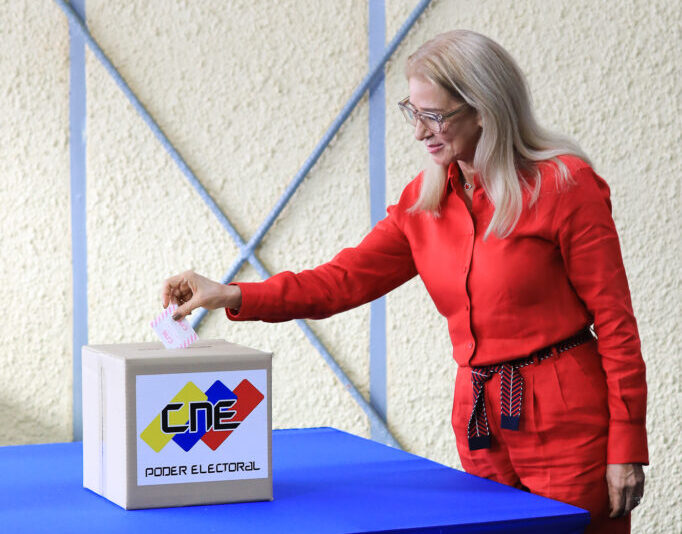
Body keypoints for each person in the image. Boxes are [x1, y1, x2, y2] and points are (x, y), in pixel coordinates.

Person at [162, 30, 647, 533]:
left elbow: (616, 325)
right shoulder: (424, 202)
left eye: (434, 116)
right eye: (412, 112)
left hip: (571, 423)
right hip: (479, 419)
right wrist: (233, 293)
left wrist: (627, 446)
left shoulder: (564, 186)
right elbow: (339, 282)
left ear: (484, 109)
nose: (419, 132)